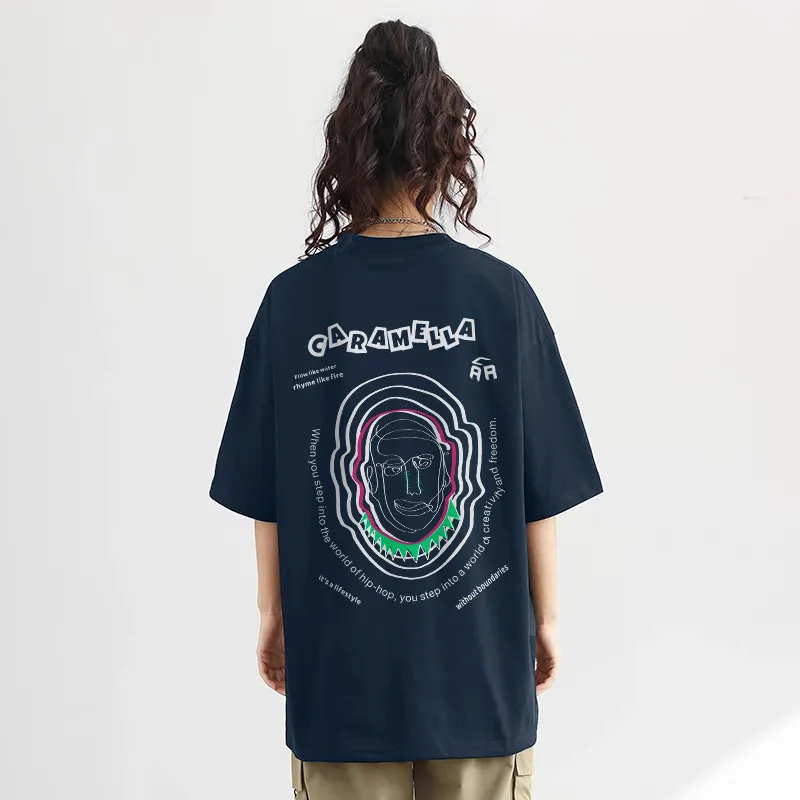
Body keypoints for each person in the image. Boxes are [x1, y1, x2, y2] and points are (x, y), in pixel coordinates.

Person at [210, 19, 602, 800]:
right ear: (446, 145)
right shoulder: (502, 299)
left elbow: (268, 491)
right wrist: (548, 619)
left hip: (339, 687)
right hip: (480, 685)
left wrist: (271, 613)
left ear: (347, 147)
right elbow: (538, 490)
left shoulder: (293, 304)